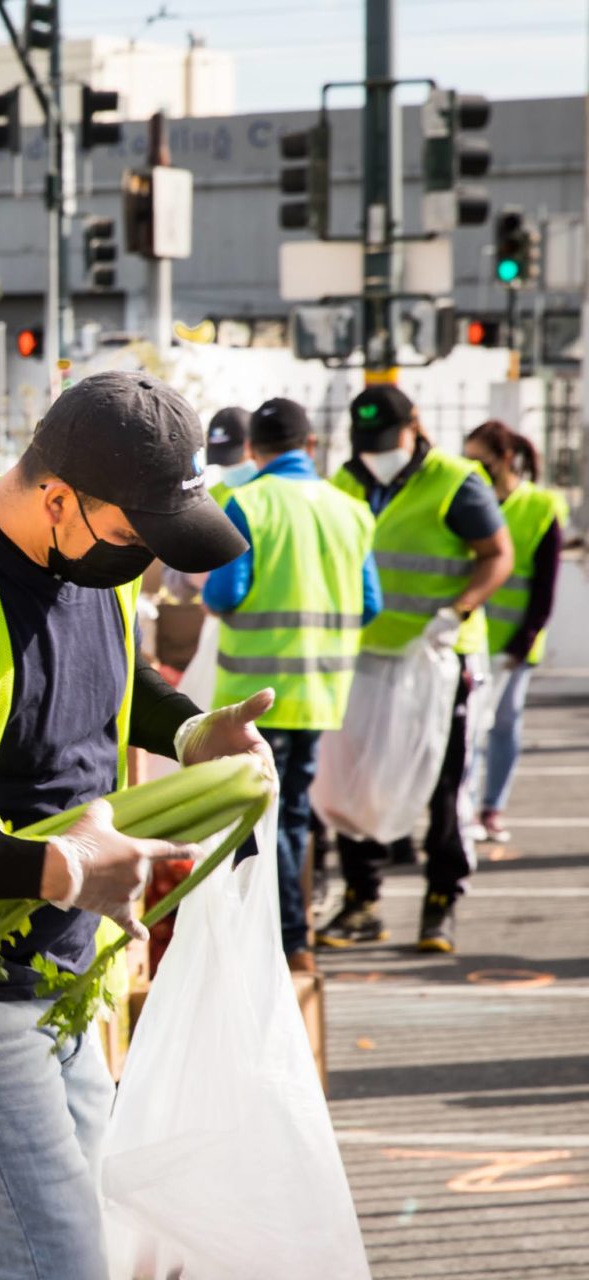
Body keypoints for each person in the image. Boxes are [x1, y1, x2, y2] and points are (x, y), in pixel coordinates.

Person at [0, 370, 273, 1280]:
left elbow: (110, 683)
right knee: (59, 1261)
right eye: (131, 535)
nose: (143, 562)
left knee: (45, 1247)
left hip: (63, 969)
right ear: (59, 498)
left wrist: (192, 729)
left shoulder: (90, 565)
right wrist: (59, 872)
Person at [318, 386, 512, 954]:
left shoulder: (455, 481)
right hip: (367, 657)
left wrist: (459, 610)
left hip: (439, 656)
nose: (377, 452)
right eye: (367, 442)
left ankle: (440, 903)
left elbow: (497, 553)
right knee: (357, 777)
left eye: (387, 440)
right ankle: (362, 901)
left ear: (415, 426)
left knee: (444, 779)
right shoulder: (346, 481)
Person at [201, 398, 380, 973]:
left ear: (254, 450)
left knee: (258, 817)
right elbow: (370, 603)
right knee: (294, 815)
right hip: (323, 693)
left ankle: (280, 941)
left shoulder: (246, 504)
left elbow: (224, 595)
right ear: (311, 444)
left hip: (257, 694)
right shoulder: (350, 510)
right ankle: (291, 939)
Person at [465, 419, 567, 844]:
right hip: (471, 638)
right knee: (469, 727)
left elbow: (546, 583)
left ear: (505, 459)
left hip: (514, 642)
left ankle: (492, 808)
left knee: (504, 723)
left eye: (478, 460)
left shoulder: (541, 506)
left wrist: (523, 641)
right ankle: (465, 808)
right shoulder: (469, 501)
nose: (470, 468)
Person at [204, 405, 254, 504]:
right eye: (221, 461)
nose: (228, 467)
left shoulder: (275, 491)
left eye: (234, 459)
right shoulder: (210, 499)